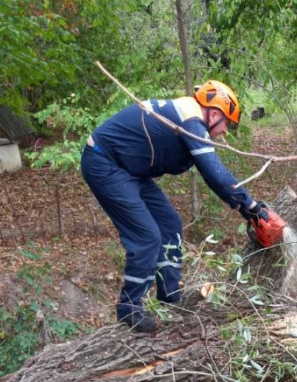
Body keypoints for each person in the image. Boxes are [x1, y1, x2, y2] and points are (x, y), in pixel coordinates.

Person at [81, 80, 270, 333]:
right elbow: (213, 172)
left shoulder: (189, 114)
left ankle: (169, 293)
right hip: (105, 162)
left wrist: (246, 205)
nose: (226, 132)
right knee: (147, 236)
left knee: (170, 223)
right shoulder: (191, 120)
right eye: (228, 124)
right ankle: (129, 308)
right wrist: (250, 205)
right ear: (214, 113)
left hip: (130, 168)